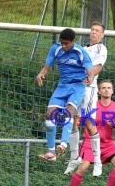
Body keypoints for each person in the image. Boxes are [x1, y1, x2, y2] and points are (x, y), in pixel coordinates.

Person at [35, 28, 95, 162]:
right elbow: (47, 66)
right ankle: (51, 152)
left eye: (66, 43)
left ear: (73, 41)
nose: (64, 46)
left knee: (69, 112)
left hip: (77, 86)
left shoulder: (80, 51)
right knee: (50, 113)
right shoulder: (56, 49)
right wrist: (41, 73)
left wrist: (90, 77)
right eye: (62, 43)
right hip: (62, 86)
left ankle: (63, 144)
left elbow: (90, 69)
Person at [64, 80, 115, 186]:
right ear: (98, 91)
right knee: (84, 167)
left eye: (109, 88)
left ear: (112, 91)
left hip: (108, 143)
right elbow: (77, 121)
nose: (106, 90)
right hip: (90, 142)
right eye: (103, 88)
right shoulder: (91, 105)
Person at [64, 21, 108, 177]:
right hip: (76, 88)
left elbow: (98, 67)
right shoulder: (82, 48)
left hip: (89, 89)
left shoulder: (101, 48)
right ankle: (74, 157)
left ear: (102, 34)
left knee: (89, 123)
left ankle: (97, 161)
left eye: (97, 30)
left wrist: (90, 75)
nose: (93, 32)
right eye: (92, 30)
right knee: (71, 120)